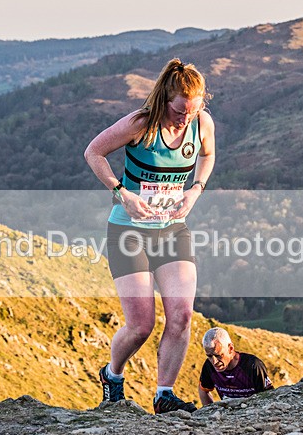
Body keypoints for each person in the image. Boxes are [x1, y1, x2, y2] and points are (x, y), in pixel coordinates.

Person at [84, 58, 216, 414]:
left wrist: (195, 190)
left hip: (172, 230)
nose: (183, 119)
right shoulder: (140, 124)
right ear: (164, 99)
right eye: (178, 111)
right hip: (128, 231)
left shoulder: (201, 123)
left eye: (191, 111)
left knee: (182, 316)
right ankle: (112, 376)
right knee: (141, 325)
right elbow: (93, 152)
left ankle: (164, 394)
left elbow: (207, 156)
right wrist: (121, 193)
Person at [198, 327, 274, 406]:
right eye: (209, 356)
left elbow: (268, 395)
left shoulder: (253, 365)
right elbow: (203, 389)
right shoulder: (209, 366)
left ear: (230, 348)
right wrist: (210, 411)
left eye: (218, 356)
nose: (214, 362)